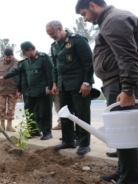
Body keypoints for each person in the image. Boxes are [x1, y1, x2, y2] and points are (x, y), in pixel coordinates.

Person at [76, 0, 138, 183]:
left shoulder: (115, 20)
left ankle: (131, 179)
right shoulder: (110, 20)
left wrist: (128, 87)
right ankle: (123, 172)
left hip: (121, 84)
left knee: (124, 133)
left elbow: (127, 54)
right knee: (119, 132)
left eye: (84, 14)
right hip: (116, 82)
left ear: (92, 5)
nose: (85, 19)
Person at [46, 20, 94, 155]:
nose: (51, 36)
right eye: (49, 34)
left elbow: (89, 63)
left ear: (60, 28)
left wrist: (87, 83)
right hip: (63, 85)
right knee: (65, 114)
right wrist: (55, 83)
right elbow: (55, 67)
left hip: (79, 84)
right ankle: (68, 140)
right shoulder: (54, 45)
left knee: (82, 114)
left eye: (52, 33)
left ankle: (84, 143)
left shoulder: (77, 40)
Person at [0, 41, 53, 140]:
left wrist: (50, 87)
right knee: (28, 109)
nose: (23, 54)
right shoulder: (26, 61)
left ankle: (47, 132)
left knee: (44, 112)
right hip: (31, 91)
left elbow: (51, 72)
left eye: (24, 52)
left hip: (43, 90)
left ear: (30, 49)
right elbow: (16, 70)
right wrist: (4, 77)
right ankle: (33, 131)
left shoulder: (43, 58)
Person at [0, 48, 19, 132]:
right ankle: (2, 125)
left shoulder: (17, 63)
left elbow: (20, 77)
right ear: (4, 56)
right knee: (1, 108)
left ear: (12, 56)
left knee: (11, 108)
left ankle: (9, 125)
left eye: (10, 57)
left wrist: (18, 90)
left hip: (13, 89)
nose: (8, 59)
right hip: (1, 89)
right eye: (6, 57)